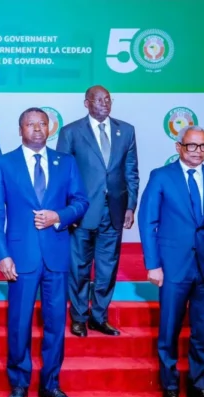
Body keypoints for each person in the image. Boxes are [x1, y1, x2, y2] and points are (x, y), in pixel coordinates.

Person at [0, 107, 88, 397]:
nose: (37, 129)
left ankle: (51, 384)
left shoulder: (66, 162)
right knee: (19, 322)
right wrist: (2, 255)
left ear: (49, 128)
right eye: (30, 124)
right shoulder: (4, 163)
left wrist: (59, 216)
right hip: (20, 257)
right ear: (20, 129)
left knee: (56, 323)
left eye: (42, 124)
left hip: (56, 255)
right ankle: (19, 384)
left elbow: (81, 201)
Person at [139, 125, 204, 397]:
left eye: (203, 146)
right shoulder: (161, 176)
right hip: (173, 266)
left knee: (203, 330)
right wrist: (153, 265)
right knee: (169, 329)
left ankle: (199, 385)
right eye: (192, 145)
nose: (198, 151)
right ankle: (170, 387)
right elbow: (147, 222)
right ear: (178, 147)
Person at [55, 85, 139, 337]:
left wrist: (130, 205)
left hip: (114, 211)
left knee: (107, 269)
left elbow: (131, 172)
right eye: (99, 99)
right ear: (87, 103)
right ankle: (79, 317)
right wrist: (67, 211)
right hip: (81, 212)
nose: (105, 103)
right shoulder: (71, 132)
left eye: (108, 99)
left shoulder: (126, 131)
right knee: (79, 268)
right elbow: (61, 176)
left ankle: (99, 317)